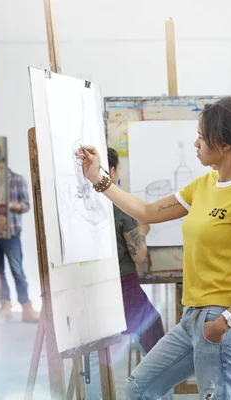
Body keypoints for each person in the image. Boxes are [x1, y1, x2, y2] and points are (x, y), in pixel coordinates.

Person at [76, 96, 231, 399]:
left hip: (223, 319)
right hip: (193, 317)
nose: (195, 144)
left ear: (224, 144)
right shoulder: (204, 185)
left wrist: (225, 322)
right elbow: (146, 211)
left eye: (201, 136)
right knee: (138, 389)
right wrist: (99, 179)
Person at [85, 148, 167, 399]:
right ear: (110, 171)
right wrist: (142, 230)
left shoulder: (79, 202)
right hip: (123, 288)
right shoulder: (122, 205)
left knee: (96, 351)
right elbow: (139, 255)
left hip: (88, 288)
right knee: (156, 341)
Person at [0, 168, 39, 323]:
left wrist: (9, 205)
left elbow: (26, 205)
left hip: (11, 232)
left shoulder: (17, 179)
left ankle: (26, 306)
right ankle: (5, 305)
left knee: (17, 270)